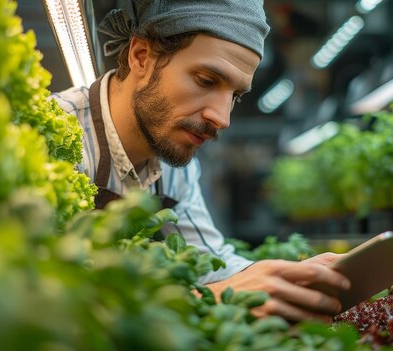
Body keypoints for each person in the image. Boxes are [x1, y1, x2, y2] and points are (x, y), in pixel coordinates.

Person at [50, 0, 350, 323]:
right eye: (206, 81)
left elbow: (209, 260)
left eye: (235, 97)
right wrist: (218, 297)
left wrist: (290, 278)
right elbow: (47, 297)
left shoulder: (176, 165)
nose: (222, 119)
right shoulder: (51, 139)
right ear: (141, 57)